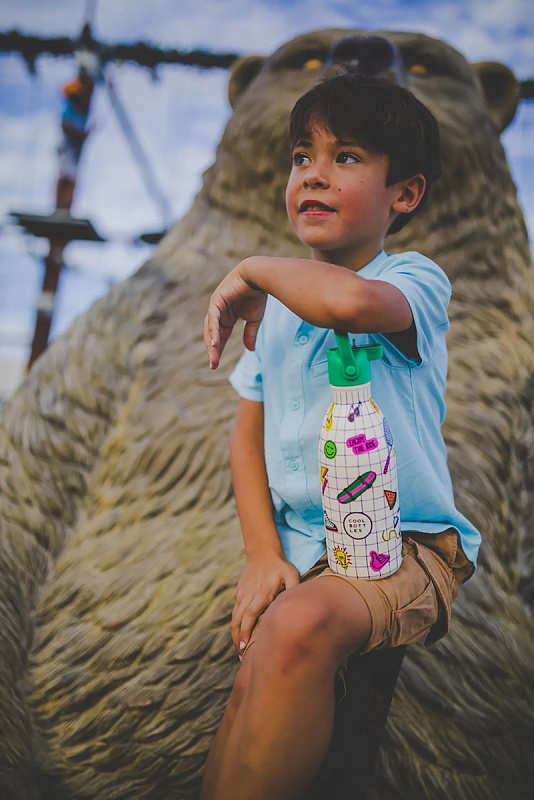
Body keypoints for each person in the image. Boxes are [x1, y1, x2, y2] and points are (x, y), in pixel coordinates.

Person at [201, 73, 481, 800]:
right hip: (305, 548)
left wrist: (254, 269)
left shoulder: (414, 279)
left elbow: (349, 304)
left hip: (403, 545)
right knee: (251, 683)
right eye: (302, 157)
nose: (314, 174)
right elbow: (246, 433)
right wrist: (262, 555)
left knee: (298, 626)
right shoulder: (275, 313)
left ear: (405, 194)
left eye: (346, 156)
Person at [55, 70, 94, 211]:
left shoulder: (84, 110)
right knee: (66, 177)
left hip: (75, 149)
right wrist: (80, 134)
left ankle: (65, 209)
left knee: (72, 177)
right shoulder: (71, 105)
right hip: (68, 147)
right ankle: (61, 208)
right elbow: (65, 125)